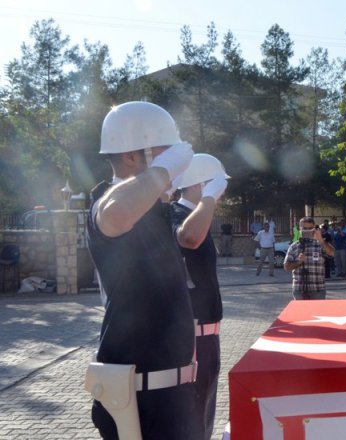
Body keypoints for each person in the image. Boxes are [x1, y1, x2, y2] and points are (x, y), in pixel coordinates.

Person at [85, 101, 197, 438]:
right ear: (133, 156)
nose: (174, 163)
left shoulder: (152, 207)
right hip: (140, 398)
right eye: (164, 153)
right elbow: (116, 213)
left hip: (171, 394)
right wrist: (163, 171)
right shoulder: (108, 199)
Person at [170, 153, 229, 440]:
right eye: (216, 188)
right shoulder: (176, 216)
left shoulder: (195, 217)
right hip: (192, 335)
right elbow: (188, 239)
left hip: (206, 335)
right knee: (194, 414)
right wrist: (208, 199)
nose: (220, 197)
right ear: (200, 185)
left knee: (204, 411)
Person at [284, 217, 335, 300]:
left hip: (318, 290)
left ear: (314, 229)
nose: (307, 230)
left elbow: (332, 253)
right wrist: (298, 262)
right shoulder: (294, 246)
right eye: (305, 228)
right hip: (299, 290)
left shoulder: (320, 244)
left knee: (318, 313)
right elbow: (286, 267)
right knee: (301, 313)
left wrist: (321, 239)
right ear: (300, 229)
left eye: (310, 228)